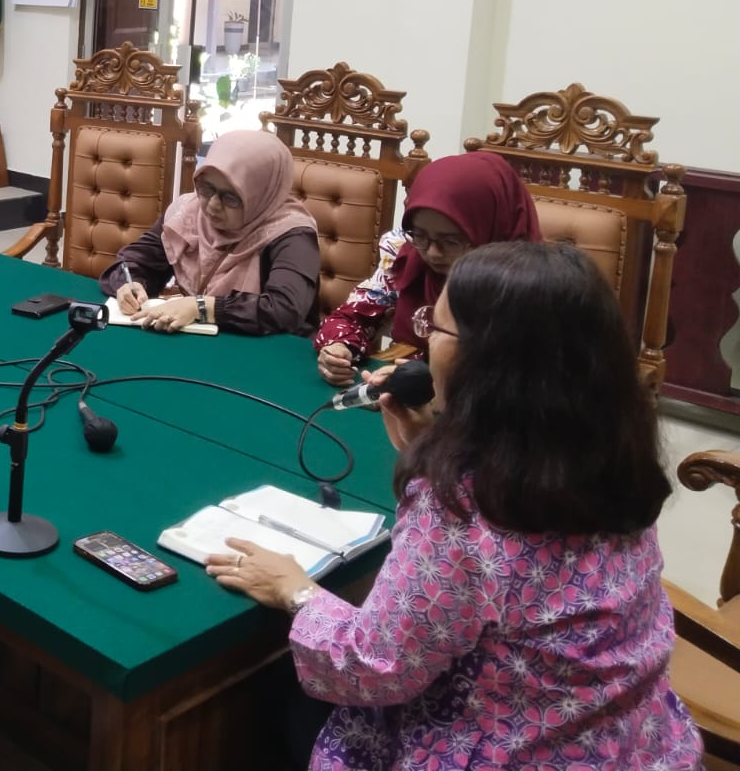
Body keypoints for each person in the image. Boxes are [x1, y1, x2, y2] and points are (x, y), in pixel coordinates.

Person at [207, 242, 701, 770]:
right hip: (636, 743)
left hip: (503, 751)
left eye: (435, 332)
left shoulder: (462, 508)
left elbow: (375, 665)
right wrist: (435, 451)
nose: (420, 352)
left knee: (284, 691)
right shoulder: (610, 457)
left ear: (491, 360)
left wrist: (296, 590)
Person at [314, 150, 541, 385]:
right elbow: (351, 317)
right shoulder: (408, 260)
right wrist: (339, 348)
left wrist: (423, 384)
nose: (432, 253)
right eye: (420, 235)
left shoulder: (527, 289)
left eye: (450, 241)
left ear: (491, 231)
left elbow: (516, 381)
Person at [97, 128, 319, 336]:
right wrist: (130, 283)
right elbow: (135, 260)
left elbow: (285, 310)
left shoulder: (292, 234)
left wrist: (203, 307)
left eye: (231, 197)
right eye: (206, 188)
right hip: (197, 340)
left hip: (270, 353)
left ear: (259, 195)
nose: (212, 205)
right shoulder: (188, 210)